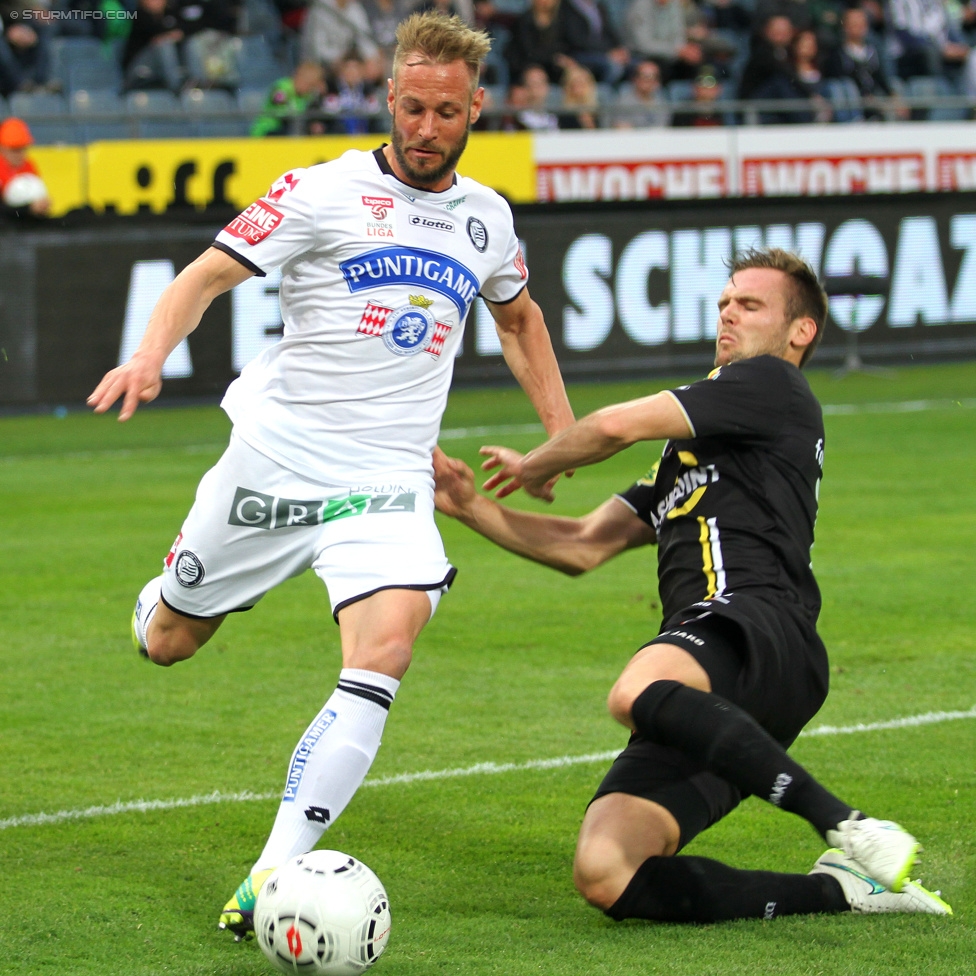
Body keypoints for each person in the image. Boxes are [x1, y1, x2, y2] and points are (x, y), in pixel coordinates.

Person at [87, 11, 574, 939]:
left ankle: (270, 873)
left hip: (388, 480)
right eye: (414, 108)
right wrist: (150, 356)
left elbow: (521, 323)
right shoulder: (319, 190)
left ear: (476, 110)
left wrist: (561, 440)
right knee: (169, 643)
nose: (427, 129)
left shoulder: (487, 220)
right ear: (389, 98)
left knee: (385, 648)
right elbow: (202, 278)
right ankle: (167, 590)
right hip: (275, 459)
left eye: (448, 112)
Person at [433, 247, 953, 924]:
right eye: (725, 302)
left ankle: (844, 823)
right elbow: (585, 546)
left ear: (801, 332)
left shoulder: (770, 383)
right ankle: (846, 889)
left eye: (751, 304)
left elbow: (614, 425)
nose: (728, 313)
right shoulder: (697, 448)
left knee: (635, 691)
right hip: (730, 678)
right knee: (607, 871)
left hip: (754, 622)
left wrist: (537, 461)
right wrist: (473, 508)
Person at [250, 61, 327, 137]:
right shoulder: (284, 86)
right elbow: (278, 98)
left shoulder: (306, 96)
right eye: (305, 83)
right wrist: (283, 98)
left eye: (311, 86)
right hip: (267, 133)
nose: (306, 87)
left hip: (287, 134)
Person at [0, 116, 50, 215]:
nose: (20, 154)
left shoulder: (28, 166)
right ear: (2, 148)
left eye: (23, 148)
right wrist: (27, 208)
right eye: (15, 149)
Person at [612, 57, 669, 126]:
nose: (648, 81)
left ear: (658, 82)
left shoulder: (663, 103)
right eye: (644, 76)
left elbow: (664, 129)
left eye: (653, 77)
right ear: (635, 79)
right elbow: (622, 129)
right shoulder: (623, 103)